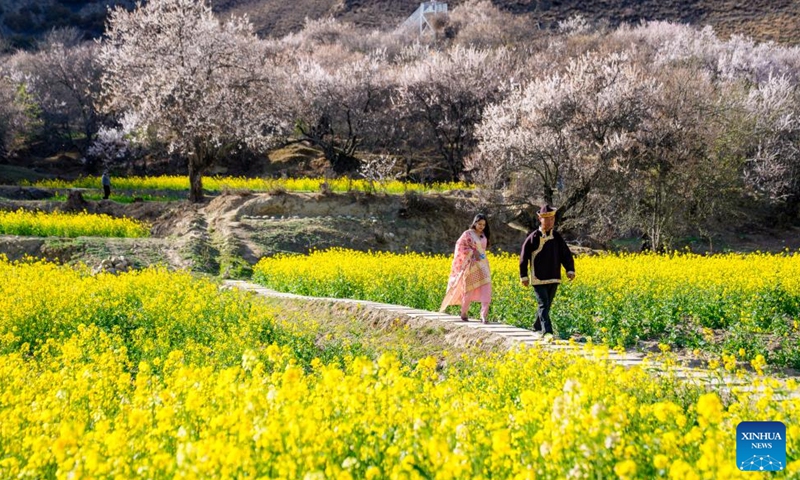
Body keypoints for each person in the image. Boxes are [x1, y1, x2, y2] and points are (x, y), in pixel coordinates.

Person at [519, 205, 575, 336]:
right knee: (543, 303)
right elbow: (523, 257)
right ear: (540, 219)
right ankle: (547, 331)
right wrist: (524, 276)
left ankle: (537, 325)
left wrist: (570, 269)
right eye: (547, 219)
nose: (550, 222)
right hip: (538, 278)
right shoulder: (533, 237)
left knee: (547, 304)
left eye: (552, 219)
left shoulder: (557, 237)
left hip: (554, 276)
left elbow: (565, 254)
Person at [440, 213, 492, 323]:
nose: (481, 226)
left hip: (483, 265)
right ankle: (464, 312)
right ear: (475, 223)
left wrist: (479, 254)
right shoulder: (468, 234)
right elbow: (460, 247)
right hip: (471, 265)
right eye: (479, 224)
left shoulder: (483, 235)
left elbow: (483, 249)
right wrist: (472, 252)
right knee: (469, 289)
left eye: (483, 224)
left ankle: (483, 315)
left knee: (486, 289)